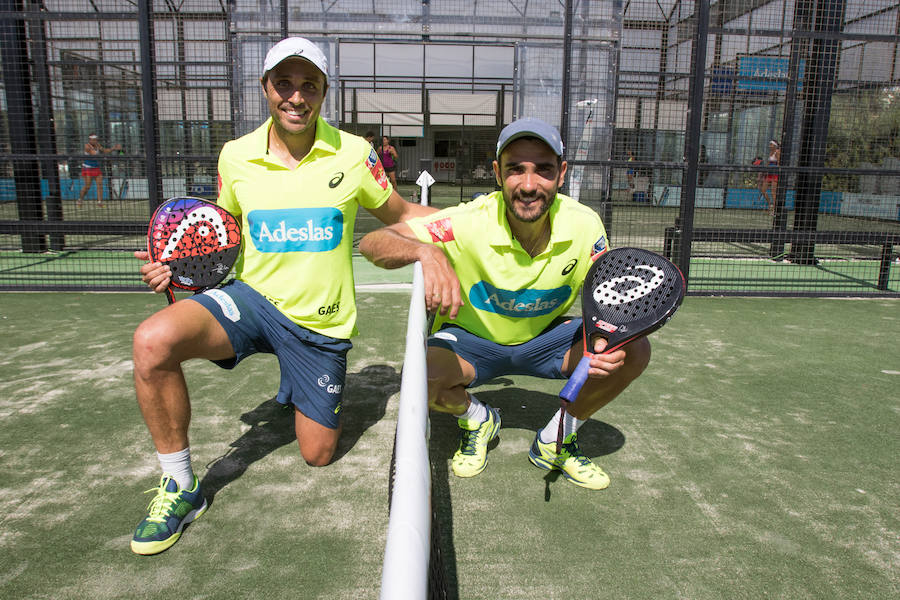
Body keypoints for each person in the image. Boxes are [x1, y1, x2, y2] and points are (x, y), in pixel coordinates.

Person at [128, 36, 434, 556]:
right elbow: (219, 234)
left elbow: (403, 216)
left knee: (317, 455)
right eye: (284, 83)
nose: (296, 96)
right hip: (252, 301)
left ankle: (298, 380)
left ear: (323, 92)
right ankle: (180, 487)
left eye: (308, 84)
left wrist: (482, 222)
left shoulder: (355, 154)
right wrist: (174, 269)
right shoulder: (235, 156)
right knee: (152, 342)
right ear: (266, 89)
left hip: (319, 325)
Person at [359, 118, 651, 490]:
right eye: (516, 169)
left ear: (561, 174)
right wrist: (426, 253)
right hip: (472, 343)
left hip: (544, 340)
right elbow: (373, 243)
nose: (529, 185)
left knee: (633, 350)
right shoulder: (466, 222)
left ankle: (556, 440)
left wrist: (604, 340)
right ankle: (478, 418)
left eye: (543, 170)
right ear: (497, 173)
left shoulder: (585, 225)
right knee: (420, 380)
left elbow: (604, 297)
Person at [77, 133, 121, 207]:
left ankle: (100, 202)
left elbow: (104, 150)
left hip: (96, 167)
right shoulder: (87, 146)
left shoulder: (97, 145)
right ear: (90, 140)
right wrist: (102, 154)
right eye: (93, 140)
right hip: (88, 168)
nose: (95, 141)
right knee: (87, 186)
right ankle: (80, 199)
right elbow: (94, 153)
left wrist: (113, 148)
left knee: (100, 185)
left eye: (96, 140)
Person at [759, 140, 780, 216]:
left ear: (775, 145)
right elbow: (768, 163)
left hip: (774, 174)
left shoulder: (777, 152)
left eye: (771, 144)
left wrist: (775, 170)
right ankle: (770, 204)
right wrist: (765, 171)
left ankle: (774, 209)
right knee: (763, 190)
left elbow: (779, 163)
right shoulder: (770, 153)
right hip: (769, 174)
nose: (769, 146)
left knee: (773, 192)